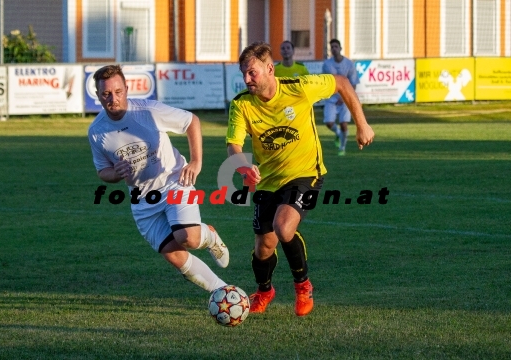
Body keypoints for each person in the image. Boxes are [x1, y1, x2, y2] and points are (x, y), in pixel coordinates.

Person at [226, 42, 374, 316]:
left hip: (305, 173)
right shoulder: (242, 104)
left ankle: (303, 286)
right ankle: (265, 290)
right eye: (244, 74)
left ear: (269, 69)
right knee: (263, 247)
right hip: (269, 181)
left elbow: (341, 82)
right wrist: (243, 167)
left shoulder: (299, 88)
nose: (247, 79)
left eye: (252, 73)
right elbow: (233, 145)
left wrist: (362, 124)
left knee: (284, 228)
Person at [88, 65, 229, 293]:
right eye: (106, 94)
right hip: (142, 198)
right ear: (98, 95)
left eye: (118, 91)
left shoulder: (148, 111)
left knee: (188, 238)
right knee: (173, 254)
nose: (113, 98)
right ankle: (223, 292)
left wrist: (196, 162)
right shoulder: (96, 131)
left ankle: (208, 235)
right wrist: (115, 173)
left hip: (174, 180)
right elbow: (102, 171)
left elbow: (191, 121)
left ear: (126, 88)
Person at [322, 39, 360, 156]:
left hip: (345, 99)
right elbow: (324, 82)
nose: (334, 49)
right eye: (332, 47)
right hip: (332, 99)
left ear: (340, 48)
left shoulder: (349, 64)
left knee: (344, 124)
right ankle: (338, 134)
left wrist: (344, 97)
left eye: (336, 46)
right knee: (329, 123)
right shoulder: (327, 65)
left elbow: (353, 83)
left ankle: (342, 148)